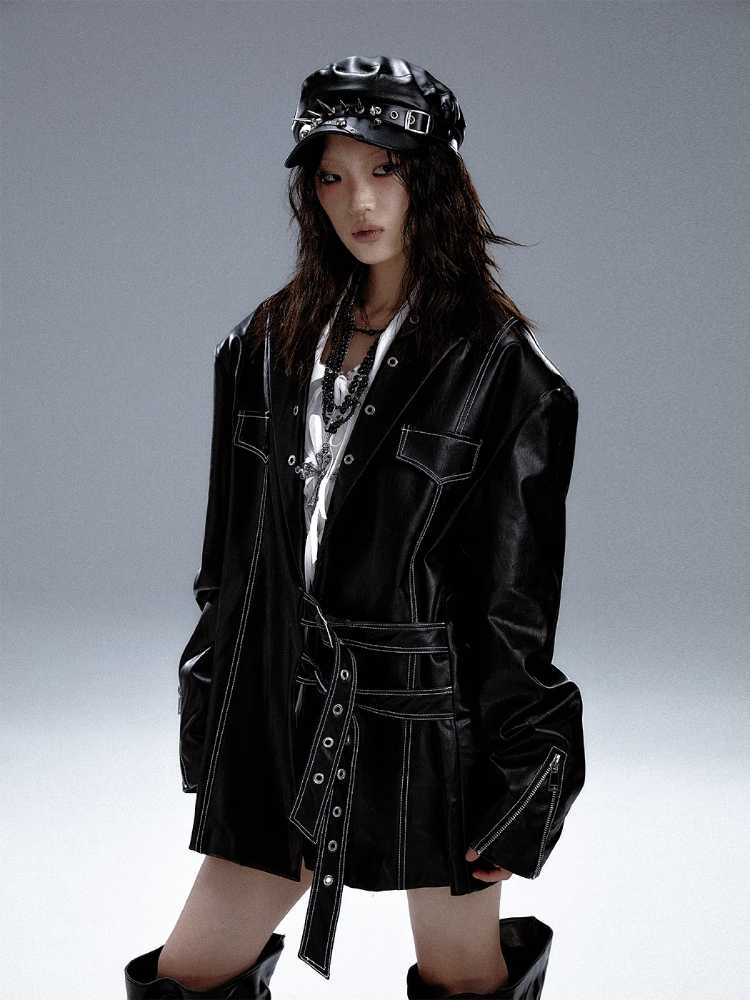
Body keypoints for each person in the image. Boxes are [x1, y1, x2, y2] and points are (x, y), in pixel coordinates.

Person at [123, 55, 586, 1000]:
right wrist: (211, 711)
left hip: (430, 723)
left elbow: (513, 605)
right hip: (283, 711)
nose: (359, 201)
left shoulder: (502, 370)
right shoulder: (262, 346)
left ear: (432, 180)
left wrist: (525, 777)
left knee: (465, 978)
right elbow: (228, 564)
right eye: (332, 176)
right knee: (190, 974)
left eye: (384, 169)